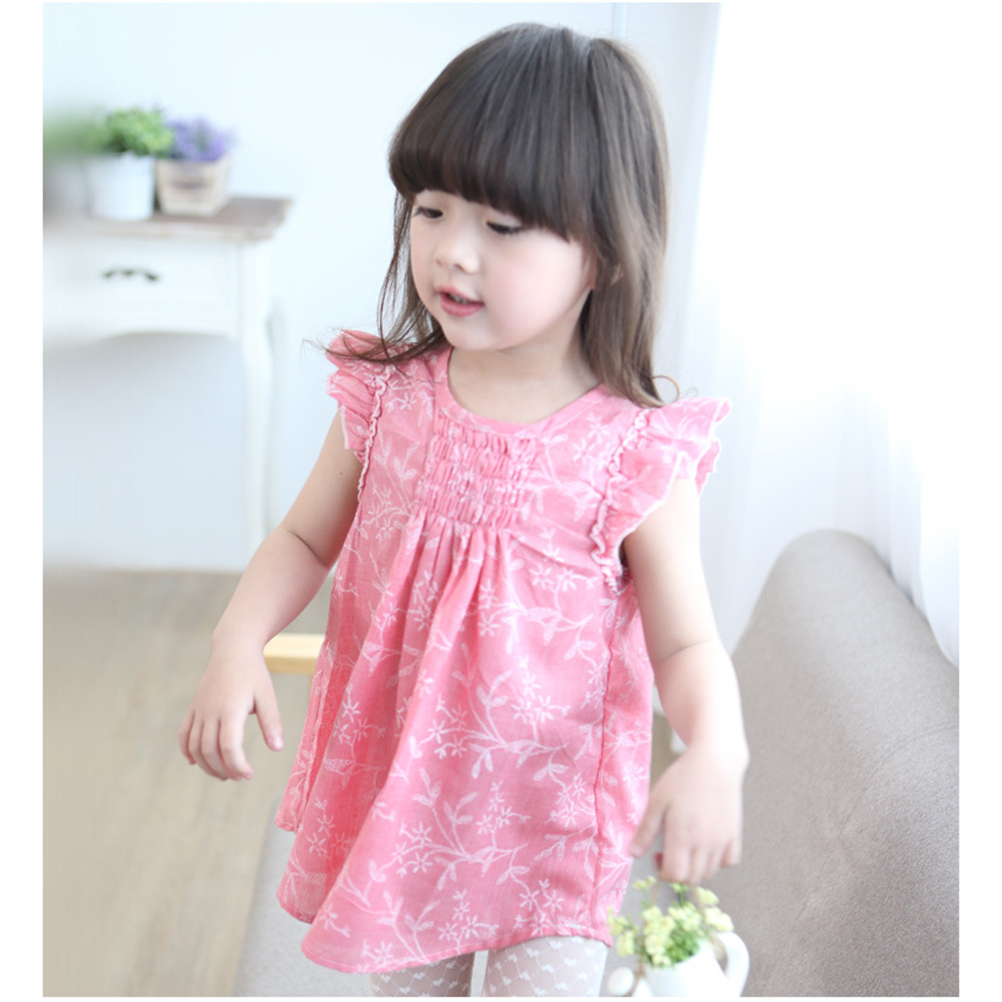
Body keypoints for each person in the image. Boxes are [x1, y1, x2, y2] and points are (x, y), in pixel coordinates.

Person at [179, 22, 748, 998]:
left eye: (502, 225)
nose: (451, 251)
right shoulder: (388, 399)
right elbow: (306, 537)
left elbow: (686, 644)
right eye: (431, 209)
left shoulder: (636, 453)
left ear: (605, 251)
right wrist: (236, 641)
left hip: (551, 832)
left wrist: (716, 752)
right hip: (401, 811)